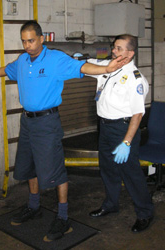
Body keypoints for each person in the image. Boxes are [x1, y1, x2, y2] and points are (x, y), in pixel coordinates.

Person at [0, 20, 126, 241]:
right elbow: (7, 71)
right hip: (27, 122)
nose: (27, 45)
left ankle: (63, 218)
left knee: (54, 169)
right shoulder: (23, 61)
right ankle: (33, 206)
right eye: (24, 41)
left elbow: (81, 67)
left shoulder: (55, 59)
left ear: (41, 39)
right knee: (29, 166)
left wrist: (106, 68)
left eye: (31, 41)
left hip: (47, 123)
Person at [87, 34, 154, 233]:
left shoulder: (135, 79)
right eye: (114, 47)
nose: (113, 51)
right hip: (105, 127)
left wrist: (126, 142)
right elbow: (86, 64)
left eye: (118, 48)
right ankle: (111, 204)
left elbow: (137, 114)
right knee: (108, 169)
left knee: (131, 174)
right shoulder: (108, 68)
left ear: (130, 53)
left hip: (123, 130)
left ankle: (145, 213)